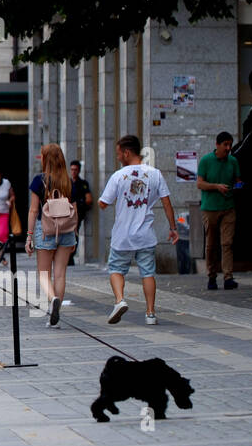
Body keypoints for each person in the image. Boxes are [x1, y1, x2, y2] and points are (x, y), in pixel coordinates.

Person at [99, 135, 178, 325]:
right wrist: (173, 228)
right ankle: (150, 313)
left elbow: (103, 203)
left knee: (116, 269)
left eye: (119, 154)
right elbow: (167, 202)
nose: (118, 158)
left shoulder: (118, 176)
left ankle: (120, 300)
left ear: (127, 152)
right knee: (148, 273)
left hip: (122, 235)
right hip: (145, 235)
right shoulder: (155, 174)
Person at [27, 144, 79, 327]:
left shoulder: (39, 180)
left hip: (46, 229)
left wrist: (29, 236)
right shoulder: (68, 181)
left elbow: (34, 210)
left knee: (43, 273)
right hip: (66, 229)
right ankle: (55, 312)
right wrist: (75, 233)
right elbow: (75, 209)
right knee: (60, 274)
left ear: (45, 159)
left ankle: (53, 298)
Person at [197, 131, 240, 290]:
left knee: (227, 243)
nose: (228, 148)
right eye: (225, 145)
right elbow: (200, 184)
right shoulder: (206, 161)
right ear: (217, 145)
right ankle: (212, 276)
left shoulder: (233, 161)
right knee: (211, 244)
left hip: (228, 207)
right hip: (210, 208)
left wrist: (238, 186)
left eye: (230, 145)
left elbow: (238, 181)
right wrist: (216, 186)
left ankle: (228, 277)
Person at [69, 160, 93, 246]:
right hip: (67, 212)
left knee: (74, 233)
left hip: (77, 213)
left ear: (79, 170)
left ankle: (71, 255)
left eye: (75, 169)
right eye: (72, 169)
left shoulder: (83, 183)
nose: (73, 172)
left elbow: (89, 199)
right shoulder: (67, 182)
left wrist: (80, 205)